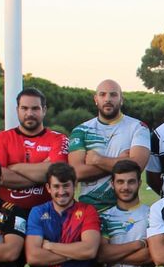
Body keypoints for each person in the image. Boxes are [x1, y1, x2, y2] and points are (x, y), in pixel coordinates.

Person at [65, 79, 152, 210]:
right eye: (102, 94)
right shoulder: (81, 131)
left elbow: (137, 166)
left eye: (113, 95)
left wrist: (96, 160)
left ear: (121, 99)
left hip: (126, 212)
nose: (108, 99)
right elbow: (77, 173)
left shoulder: (138, 127)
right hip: (89, 211)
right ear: (95, 99)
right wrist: (123, 162)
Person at [0, 88, 70, 214]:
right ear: (17, 110)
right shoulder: (0, 139)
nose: (29, 113)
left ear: (44, 110)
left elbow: (58, 174)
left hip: (48, 214)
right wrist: (43, 174)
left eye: (35, 108)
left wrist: (13, 167)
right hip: (6, 213)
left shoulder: (59, 139)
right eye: (24, 108)